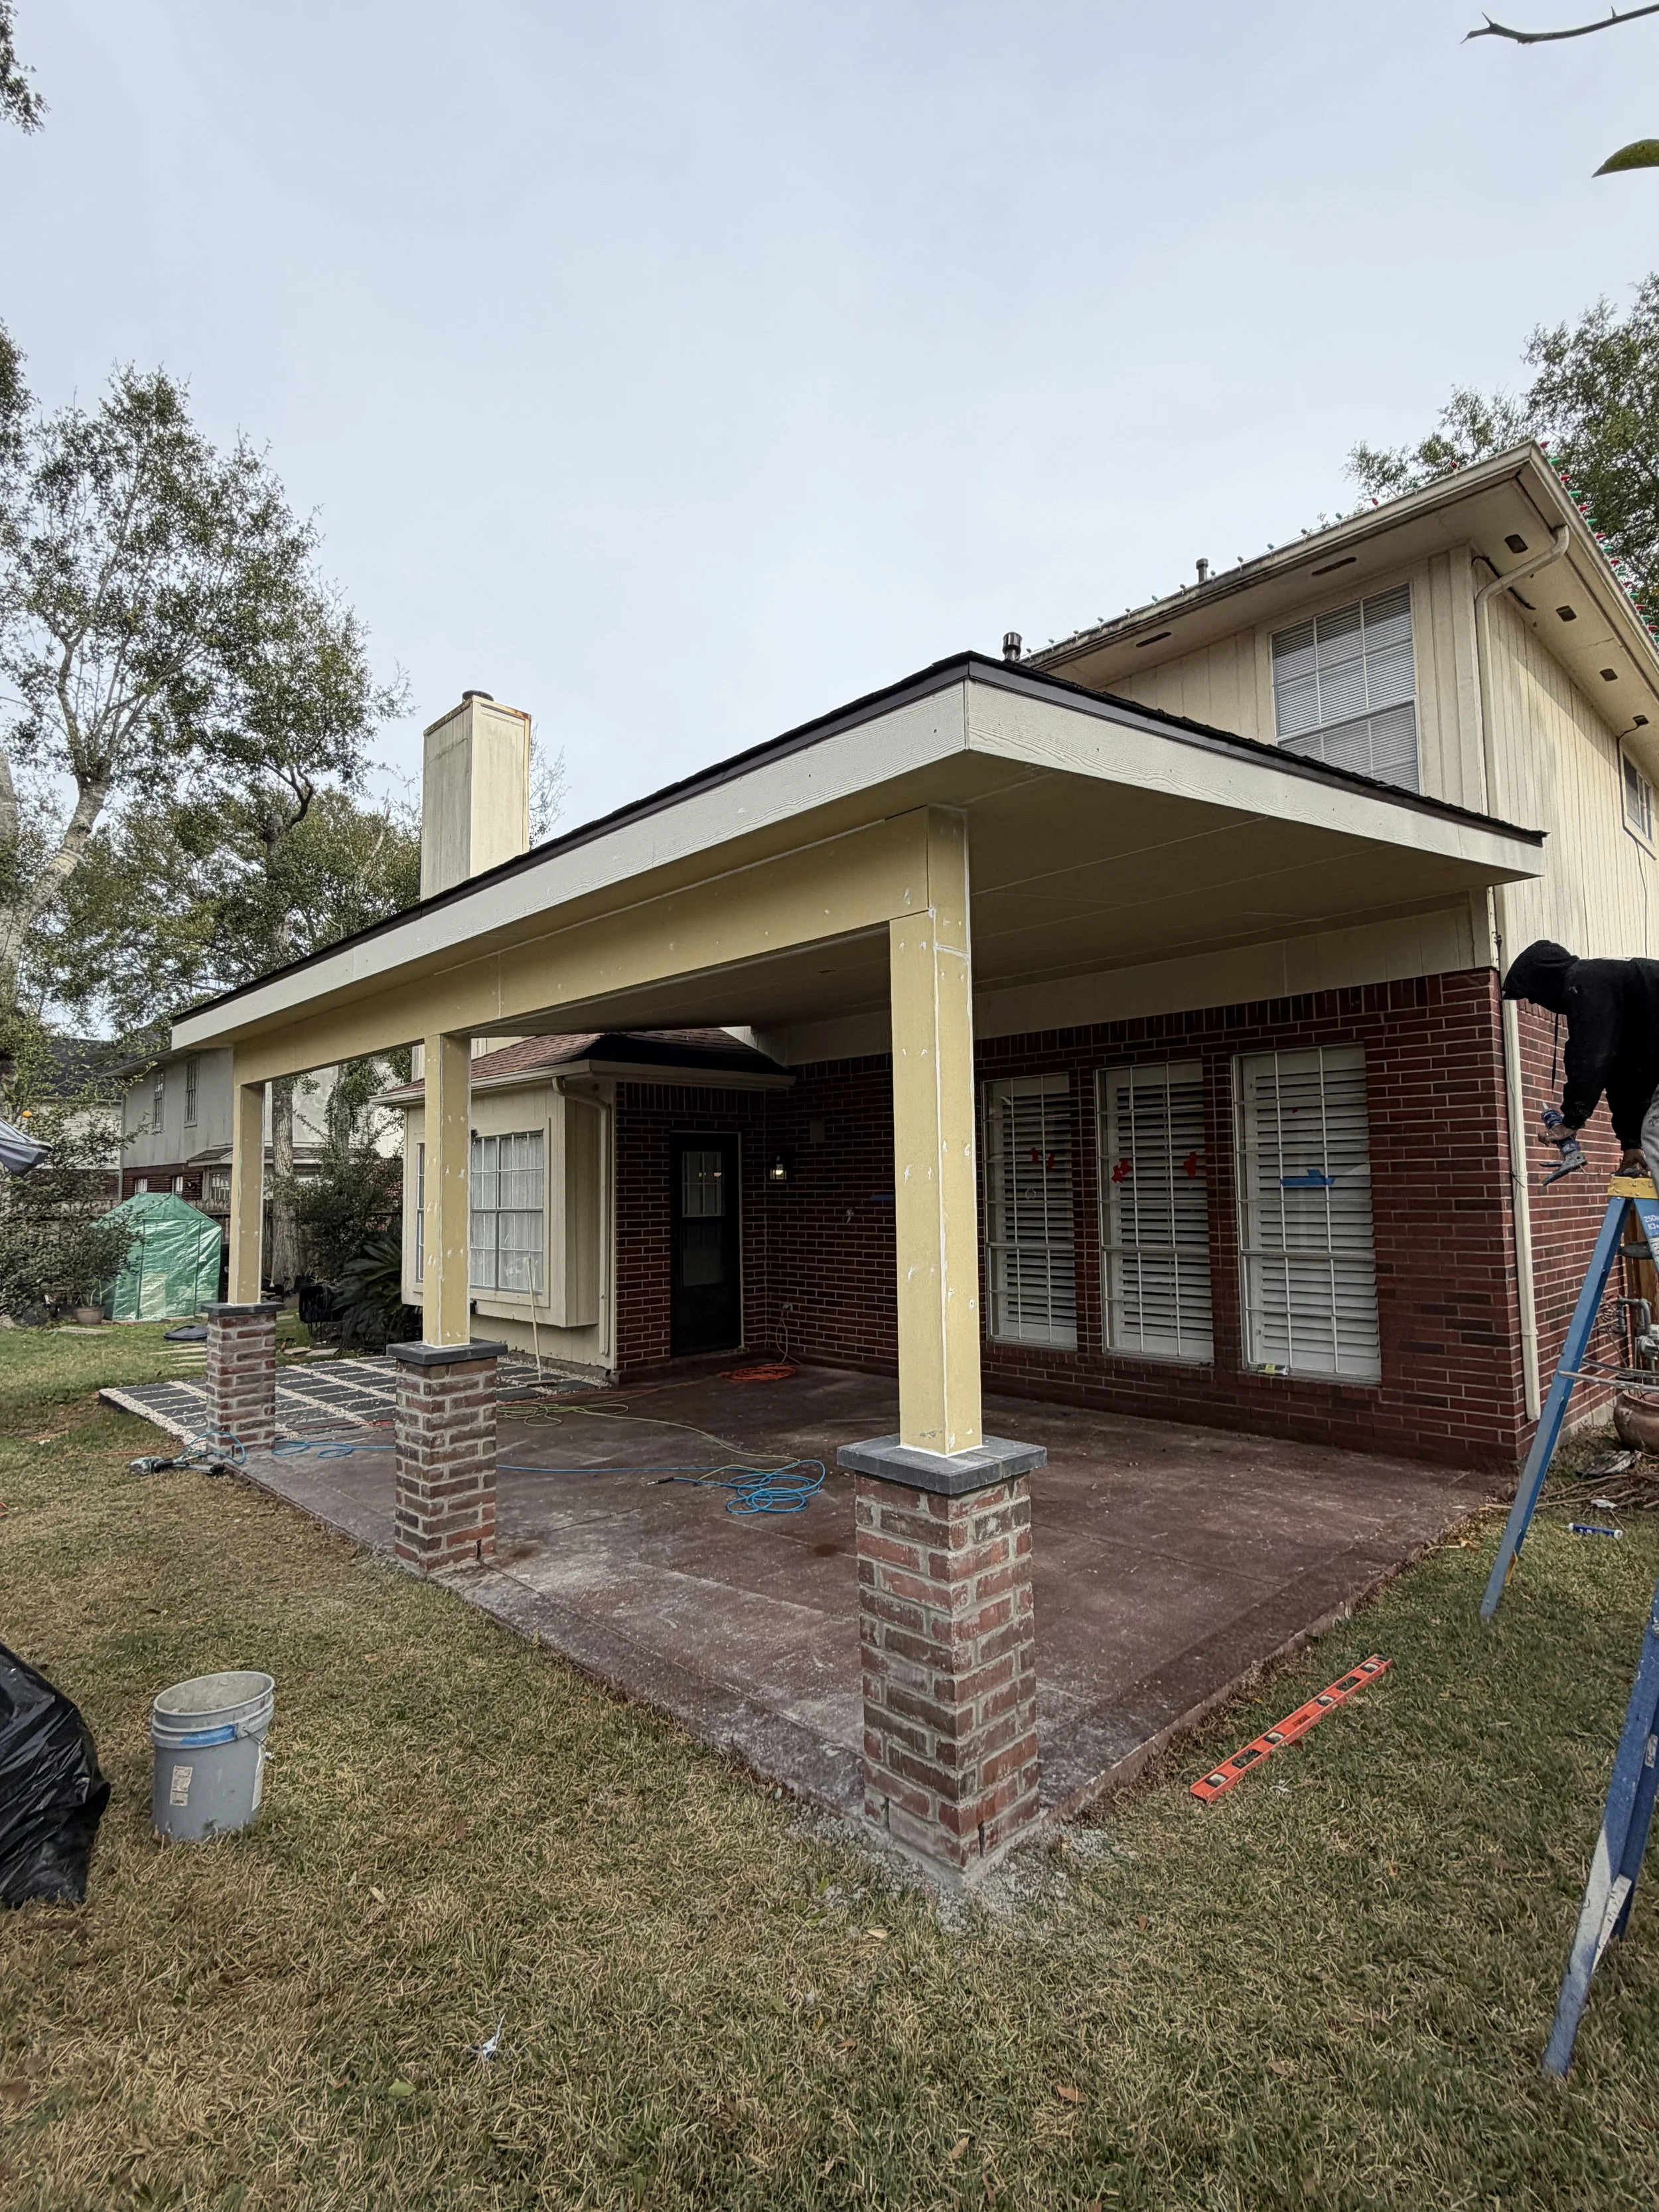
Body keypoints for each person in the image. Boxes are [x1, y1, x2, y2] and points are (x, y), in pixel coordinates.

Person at [1502, 939, 1659, 1177]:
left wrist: (1570, 1123)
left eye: (1533, 994)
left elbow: (1589, 1058)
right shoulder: (1618, 994)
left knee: (1655, 1132)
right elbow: (1624, 1077)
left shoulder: (1584, 981)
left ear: (1545, 979)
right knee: (1651, 1131)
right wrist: (1631, 1143)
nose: (1535, 1002)